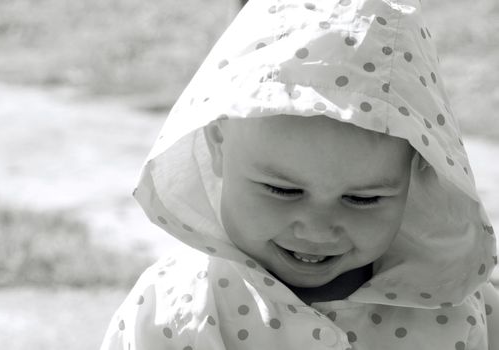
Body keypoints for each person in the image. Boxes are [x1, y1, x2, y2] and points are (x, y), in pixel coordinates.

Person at [101, 0, 499, 349]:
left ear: (417, 170)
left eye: (362, 199)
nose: (318, 230)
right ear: (218, 143)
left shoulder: (457, 310)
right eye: (282, 190)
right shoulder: (175, 311)